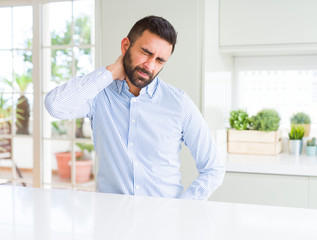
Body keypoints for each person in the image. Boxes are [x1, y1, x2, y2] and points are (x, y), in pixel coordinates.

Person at [45, 15, 225, 200]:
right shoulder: (99, 94)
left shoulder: (179, 104)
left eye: (160, 60)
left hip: (164, 222)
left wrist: (183, 208)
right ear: (125, 46)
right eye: (146, 52)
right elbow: (55, 105)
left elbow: (213, 168)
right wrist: (111, 72)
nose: (150, 65)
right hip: (112, 219)